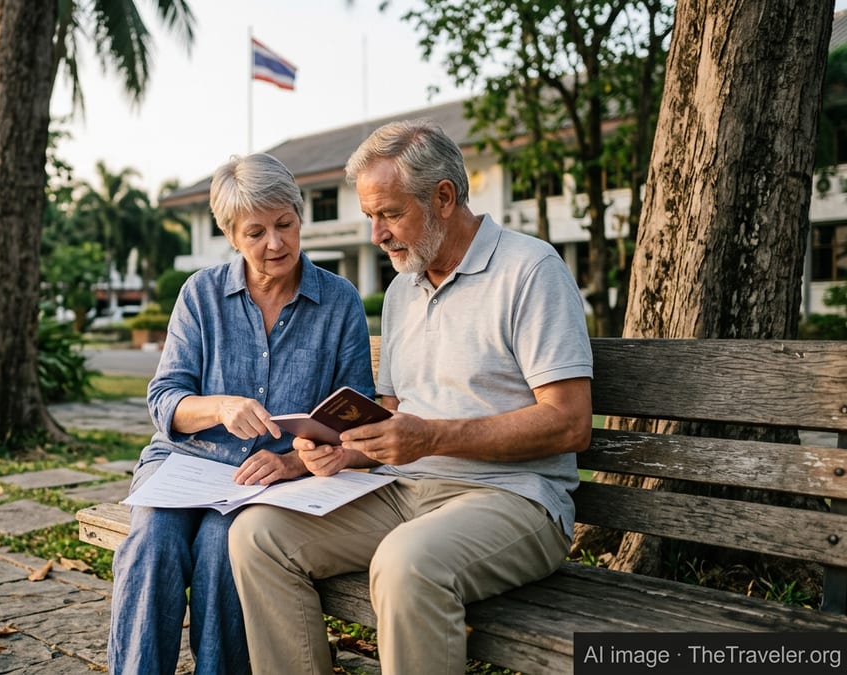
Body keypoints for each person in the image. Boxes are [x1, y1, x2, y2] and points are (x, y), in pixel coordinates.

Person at [227, 119, 594, 674]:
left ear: (443, 197)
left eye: (390, 214)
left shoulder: (531, 270)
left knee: (405, 563)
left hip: (517, 499)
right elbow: (394, 420)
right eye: (370, 217)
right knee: (258, 534)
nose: (377, 234)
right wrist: (339, 451)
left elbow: (570, 425)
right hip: (405, 491)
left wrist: (432, 436)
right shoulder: (403, 287)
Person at [107, 152, 375, 675]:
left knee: (219, 550)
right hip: (185, 466)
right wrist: (219, 407)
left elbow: (355, 422)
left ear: (300, 218)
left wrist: (293, 464)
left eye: (285, 225)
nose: (274, 243)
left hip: (270, 480)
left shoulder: (339, 302)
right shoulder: (200, 295)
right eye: (255, 232)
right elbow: (165, 400)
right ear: (230, 235)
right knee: (152, 543)